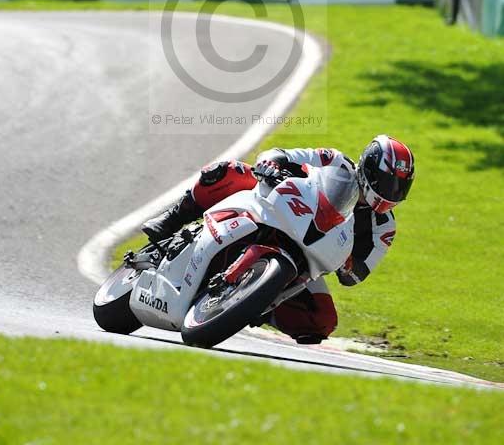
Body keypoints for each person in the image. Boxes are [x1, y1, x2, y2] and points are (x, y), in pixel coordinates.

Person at [141, 135, 415, 344]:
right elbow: (284, 154)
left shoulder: (384, 227)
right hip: (277, 207)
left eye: (400, 187)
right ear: (369, 168)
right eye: (389, 183)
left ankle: (251, 304)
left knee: (322, 320)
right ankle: (172, 219)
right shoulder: (336, 161)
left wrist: (348, 265)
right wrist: (273, 164)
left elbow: (357, 275)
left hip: (309, 257)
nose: (393, 193)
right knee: (227, 172)